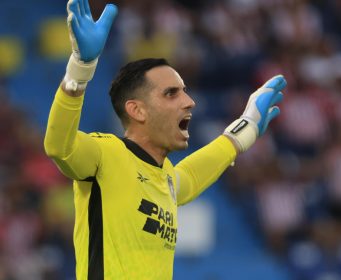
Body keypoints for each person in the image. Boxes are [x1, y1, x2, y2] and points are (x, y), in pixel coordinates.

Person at [43, 0, 287, 279]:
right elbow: (58, 146)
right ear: (137, 110)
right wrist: (80, 68)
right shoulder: (105, 154)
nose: (190, 102)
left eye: (185, 91)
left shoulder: (166, 178)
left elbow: (192, 176)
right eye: (171, 93)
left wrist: (246, 128)